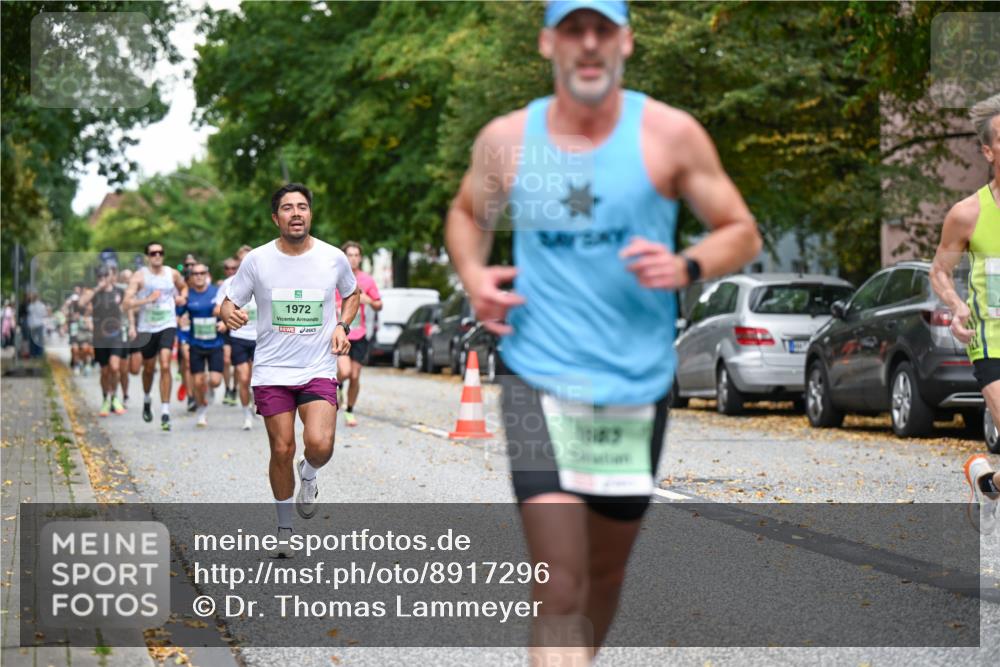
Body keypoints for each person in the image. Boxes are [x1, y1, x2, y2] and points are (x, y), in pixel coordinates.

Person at [445, 1, 761, 659]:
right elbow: (467, 212)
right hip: (538, 373)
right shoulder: (509, 139)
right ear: (547, 45)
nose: (587, 44)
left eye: (602, 31)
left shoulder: (669, 135)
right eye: (571, 31)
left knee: (605, 571)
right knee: (560, 579)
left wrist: (686, 263)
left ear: (626, 43)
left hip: (633, 385)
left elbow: (741, 230)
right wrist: (474, 275)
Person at [220, 183, 359, 556]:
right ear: (275, 217)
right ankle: (284, 531)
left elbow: (352, 293)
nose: (296, 213)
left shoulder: (332, 258)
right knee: (281, 448)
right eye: (287, 208)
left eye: (302, 207)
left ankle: (309, 474)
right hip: (272, 369)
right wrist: (227, 312)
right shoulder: (258, 260)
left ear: (310, 214)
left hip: (317, 366)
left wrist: (341, 326)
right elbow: (231, 300)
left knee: (320, 445)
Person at [929, 93, 1000, 534]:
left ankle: (987, 481)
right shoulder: (968, 214)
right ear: (989, 151)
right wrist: (955, 307)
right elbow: (939, 272)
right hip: (992, 343)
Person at [123, 242, 188, 432]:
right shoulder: (140, 276)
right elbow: (126, 304)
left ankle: (166, 411)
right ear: (147, 256)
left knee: (166, 364)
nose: (157, 256)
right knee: (149, 368)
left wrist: (181, 297)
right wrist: (147, 300)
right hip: (146, 327)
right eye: (153, 253)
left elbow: (184, 288)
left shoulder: (172, 273)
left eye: (160, 252)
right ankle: (146, 398)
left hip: (167, 324)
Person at [335, 241, 382, 427]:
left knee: (355, 376)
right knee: (345, 372)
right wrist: (340, 307)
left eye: (356, 255)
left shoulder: (367, 280)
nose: (353, 259)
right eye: (349, 255)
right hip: (341, 333)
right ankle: (337, 386)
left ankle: (349, 410)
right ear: (344, 257)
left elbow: (379, 304)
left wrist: (368, 300)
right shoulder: (336, 278)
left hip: (360, 335)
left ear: (360, 258)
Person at [178, 263, 225, 427]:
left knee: (216, 381)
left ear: (207, 274)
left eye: (202, 272)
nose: (198, 276)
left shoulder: (216, 292)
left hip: (215, 343)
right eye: (195, 273)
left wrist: (224, 323)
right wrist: (180, 319)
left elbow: (228, 310)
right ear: (190, 276)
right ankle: (201, 411)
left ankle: (211, 389)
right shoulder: (187, 295)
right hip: (196, 344)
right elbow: (178, 315)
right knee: (197, 382)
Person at [215, 252, 258, 430]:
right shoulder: (229, 283)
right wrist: (227, 319)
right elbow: (219, 307)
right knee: (243, 376)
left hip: (260, 338)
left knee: (257, 379)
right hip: (239, 337)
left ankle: (258, 405)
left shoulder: (263, 279)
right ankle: (246, 415)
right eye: (242, 259)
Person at [80, 264, 127, 416]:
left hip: (116, 336)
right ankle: (105, 398)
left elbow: (129, 306)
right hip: (99, 338)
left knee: (114, 368)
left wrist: (131, 324)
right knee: (104, 371)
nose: (103, 279)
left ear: (110, 276)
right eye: (100, 277)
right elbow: (81, 303)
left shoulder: (119, 291)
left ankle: (114, 397)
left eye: (105, 276)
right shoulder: (94, 293)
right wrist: (97, 289)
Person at [26, 292, 48, 359]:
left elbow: (29, 312)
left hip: (32, 325)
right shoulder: (42, 306)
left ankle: (33, 354)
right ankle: (39, 354)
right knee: (39, 340)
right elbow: (44, 314)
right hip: (39, 324)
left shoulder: (30, 306)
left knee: (32, 340)